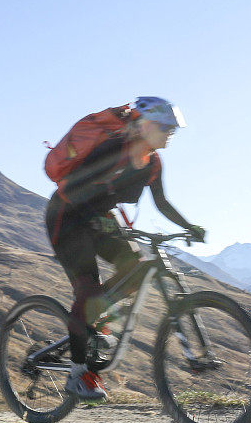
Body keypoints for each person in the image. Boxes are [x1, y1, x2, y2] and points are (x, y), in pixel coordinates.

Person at [44, 97, 205, 400]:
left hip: (99, 221)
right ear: (144, 125)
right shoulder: (112, 150)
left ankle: (95, 324)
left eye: (173, 128)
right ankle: (78, 374)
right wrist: (93, 217)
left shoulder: (153, 162)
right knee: (88, 292)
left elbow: (162, 203)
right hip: (66, 218)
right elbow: (74, 188)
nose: (171, 132)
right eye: (165, 126)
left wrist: (188, 227)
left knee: (135, 267)